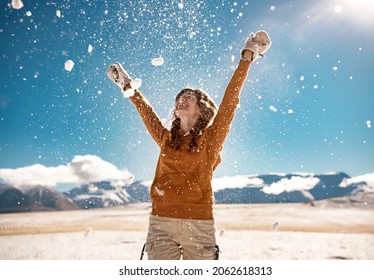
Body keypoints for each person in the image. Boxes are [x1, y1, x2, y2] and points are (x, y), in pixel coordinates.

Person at [107, 30, 271, 260]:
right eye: (179, 97)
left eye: (188, 97)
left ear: (201, 108)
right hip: (160, 224)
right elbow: (147, 114)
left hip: (199, 225)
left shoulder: (211, 140)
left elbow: (230, 101)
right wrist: (127, 86)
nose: (180, 99)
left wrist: (247, 56)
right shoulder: (166, 139)